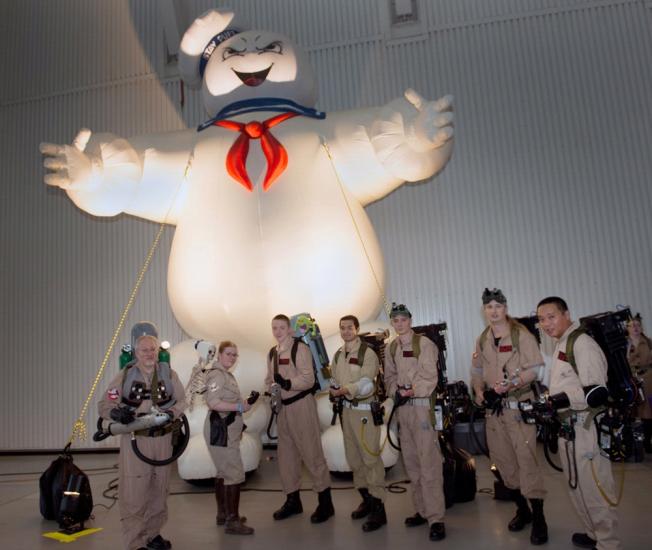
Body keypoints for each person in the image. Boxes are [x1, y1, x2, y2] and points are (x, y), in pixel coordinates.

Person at [537, 297, 621, 550]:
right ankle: (593, 533)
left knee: (593, 489)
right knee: (577, 487)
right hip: (568, 428)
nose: (546, 324)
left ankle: (607, 543)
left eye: (551, 317)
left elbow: (596, 391)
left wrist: (557, 399)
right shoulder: (561, 344)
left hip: (586, 428)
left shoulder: (582, 343)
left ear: (566, 314)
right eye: (541, 320)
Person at [470, 288, 548, 545]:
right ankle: (522, 509)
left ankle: (538, 517)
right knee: (503, 464)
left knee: (526, 461)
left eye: (498, 306)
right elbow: (477, 369)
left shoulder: (520, 335)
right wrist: (479, 390)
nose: (493, 311)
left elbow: (535, 369)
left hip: (517, 408)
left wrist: (510, 385)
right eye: (489, 306)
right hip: (494, 412)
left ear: (505, 308)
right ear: (484, 310)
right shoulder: (482, 338)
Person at [98, 333, 186, 550]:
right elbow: (104, 405)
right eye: (144, 350)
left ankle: (153, 534)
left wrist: (171, 413)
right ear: (136, 353)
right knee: (134, 492)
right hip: (136, 441)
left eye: (152, 349)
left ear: (158, 352)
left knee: (160, 489)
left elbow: (183, 400)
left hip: (163, 440)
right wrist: (118, 415)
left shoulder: (168, 374)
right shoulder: (125, 376)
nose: (149, 353)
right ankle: (135, 542)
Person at [383, 303, 446, 542]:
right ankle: (421, 510)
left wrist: (410, 391)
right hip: (403, 412)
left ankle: (436, 518)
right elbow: (389, 377)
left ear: (410, 320)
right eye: (395, 320)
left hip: (421, 409)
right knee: (411, 463)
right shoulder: (391, 349)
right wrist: (393, 392)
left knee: (429, 464)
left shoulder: (424, 344)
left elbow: (431, 377)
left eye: (403, 320)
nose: (399, 324)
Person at [265, 314, 334, 523]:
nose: (278, 332)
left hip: (302, 405)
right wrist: (271, 388)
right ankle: (293, 501)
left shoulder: (300, 349)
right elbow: (268, 379)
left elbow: (307, 378)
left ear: (290, 330)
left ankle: (325, 503)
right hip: (283, 410)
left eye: (281, 328)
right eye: (274, 328)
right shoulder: (272, 353)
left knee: (312, 454)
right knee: (286, 457)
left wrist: (287, 383)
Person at [330, 315, 386, 532]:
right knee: (354, 460)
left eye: (349, 328)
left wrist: (345, 390)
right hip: (346, 412)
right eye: (342, 328)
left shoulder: (367, 354)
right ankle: (367, 499)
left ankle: (379, 510)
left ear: (357, 329)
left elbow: (366, 385)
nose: (346, 331)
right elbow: (335, 379)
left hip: (364, 414)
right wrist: (334, 388)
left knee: (370, 460)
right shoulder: (337, 356)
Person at [203, 341, 255, 535]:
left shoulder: (228, 375)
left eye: (235, 355)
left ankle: (223, 514)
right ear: (219, 355)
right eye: (228, 354)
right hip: (220, 428)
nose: (232, 358)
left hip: (227, 429)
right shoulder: (216, 375)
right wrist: (239, 407)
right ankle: (232, 521)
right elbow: (214, 402)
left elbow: (228, 401)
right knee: (233, 473)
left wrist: (243, 403)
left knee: (223, 472)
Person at [626, 313, 652, 453]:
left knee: (648, 412)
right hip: (632, 381)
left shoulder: (648, 342)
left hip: (648, 380)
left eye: (637, 325)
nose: (635, 328)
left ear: (641, 327)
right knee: (632, 412)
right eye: (632, 325)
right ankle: (632, 445)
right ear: (627, 328)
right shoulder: (625, 344)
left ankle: (648, 443)